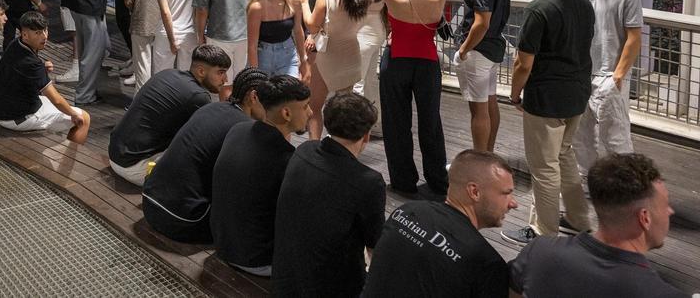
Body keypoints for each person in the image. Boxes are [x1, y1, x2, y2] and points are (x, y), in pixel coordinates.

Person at [504, 0, 594, 245]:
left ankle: (544, 233)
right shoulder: (582, 0)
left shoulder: (539, 7)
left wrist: (515, 95)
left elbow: (523, 62)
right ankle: (580, 219)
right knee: (565, 155)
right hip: (578, 93)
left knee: (544, 168)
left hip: (547, 98)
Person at [355, 0, 454, 197]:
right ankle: (438, 181)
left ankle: (403, 181)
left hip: (397, 61)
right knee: (430, 122)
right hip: (427, 64)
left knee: (396, 123)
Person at [509, 153, 685, 298]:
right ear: (645, 218)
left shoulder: (539, 252)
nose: (670, 211)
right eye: (665, 205)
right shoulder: (660, 293)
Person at [272, 92, 385, 298]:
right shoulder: (368, 181)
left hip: (285, 278)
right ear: (366, 135)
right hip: (331, 288)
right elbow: (374, 248)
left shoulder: (304, 150)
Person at [361, 150, 516, 298]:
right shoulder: (486, 263)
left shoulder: (405, 212)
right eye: (506, 193)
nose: (513, 203)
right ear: (474, 192)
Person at [142, 68, 267, 243]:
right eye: (268, 102)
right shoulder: (244, 128)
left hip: (150, 203)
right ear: (253, 97)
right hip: (184, 220)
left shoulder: (212, 107)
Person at [210, 75, 311, 276]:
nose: (311, 112)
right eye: (306, 106)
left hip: (222, 245)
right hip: (259, 260)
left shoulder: (238, 130)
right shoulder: (288, 160)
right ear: (286, 113)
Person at [108, 44, 229, 186]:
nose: (225, 79)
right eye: (220, 73)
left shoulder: (168, 73)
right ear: (201, 71)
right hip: (134, 168)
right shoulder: (198, 96)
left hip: (115, 154)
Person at [572, 0, 642, 173]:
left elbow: (634, 38)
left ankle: (628, 189)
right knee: (580, 137)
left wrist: (618, 76)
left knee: (616, 139)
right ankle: (588, 183)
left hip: (609, 75)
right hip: (581, 73)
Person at [300, 0, 377, 140]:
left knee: (315, 106)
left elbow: (312, 25)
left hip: (327, 57)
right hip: (351, 55)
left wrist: (304, 2)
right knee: (344, 108)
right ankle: (342, 145)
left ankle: (314, 145)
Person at [0, 11, 91, 143]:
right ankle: (69, 161)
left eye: (45, 30)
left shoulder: (15, 44)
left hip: (1, 110)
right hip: (18, 118)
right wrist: (73, 114)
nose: (44, 36)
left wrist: (42, 68)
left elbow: (20, 71)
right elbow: (56, 100)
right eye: (38, 33)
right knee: (83, 118)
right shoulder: (32, 64)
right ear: (25, 34)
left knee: (54, 104)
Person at [453, 0, 511, 153]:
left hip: (478, 51)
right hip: (493, 48)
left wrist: (464, 50)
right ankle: (488, 153)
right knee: (490, 103)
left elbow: (481, 23)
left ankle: (479, 159)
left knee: (478, 109)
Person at [246, 0, 308, 79]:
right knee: (265, 94)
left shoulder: (295, 1)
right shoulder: (257, 7)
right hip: (263, 55)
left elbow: (298, 30)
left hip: (288, 53)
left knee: (290, 93)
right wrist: (254, 74)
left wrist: (303, 59)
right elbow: (252, 45)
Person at [355, 0, 391, 136]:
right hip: (376, 31)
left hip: (362, 34)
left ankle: (357, 127)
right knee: (369, 79)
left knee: (357, 83)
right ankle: (375, 124)